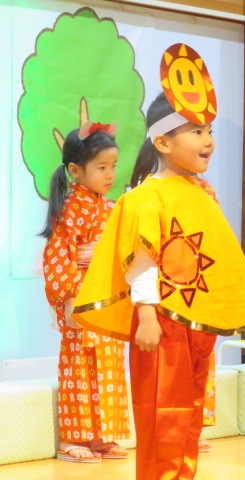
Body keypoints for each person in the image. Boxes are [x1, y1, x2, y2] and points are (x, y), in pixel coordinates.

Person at [72, 91, 245, 480]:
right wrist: (146, 315)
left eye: (209, 131)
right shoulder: (147, 197)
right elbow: (142, 261)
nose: (208, 140)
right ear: (162, 141)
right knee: (162, 414)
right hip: (164, 322)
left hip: (196, 324)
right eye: (196, 131)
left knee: (190, 413)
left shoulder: (202, 193)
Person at [40, 123, 129, 463]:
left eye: (113, 166)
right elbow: (58, 254)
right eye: (102, 167)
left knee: (108, 364)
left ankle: (100, 435)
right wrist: (69, 298)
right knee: (78, 364)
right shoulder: (70, 207)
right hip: (79, 291)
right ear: (75, 171)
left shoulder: (109, 206)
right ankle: (72, 438)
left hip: (105, 293)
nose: (110, 174)